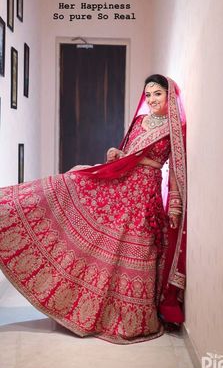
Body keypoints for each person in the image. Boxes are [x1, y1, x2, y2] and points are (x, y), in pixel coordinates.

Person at [0, 74, 187, 344]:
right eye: (147, 95)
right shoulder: (139, 121)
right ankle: (8, 206)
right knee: (67, 187)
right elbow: (126, 154)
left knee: (138, 249)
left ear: (170, 96)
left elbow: (177, 173)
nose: (151, 100)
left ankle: (132, 319)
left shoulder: (175, 129)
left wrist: (176, 205)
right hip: (121, 186)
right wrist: (114, 153)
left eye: (157, 93)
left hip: (146, 195)